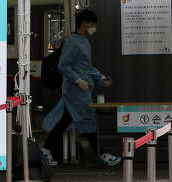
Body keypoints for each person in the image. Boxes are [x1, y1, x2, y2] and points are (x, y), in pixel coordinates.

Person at [41, 10, 121, 167]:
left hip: (80, 90)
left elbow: (86, 66)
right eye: (93, 24)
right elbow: (63, 65)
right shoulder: (73, 41)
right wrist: (77, 80)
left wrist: (100, 78)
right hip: (75, 91)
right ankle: (102, 154)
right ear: (85, 23)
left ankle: (45, 151)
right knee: (87, 121)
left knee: (66, 122)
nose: (94, 28)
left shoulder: (84, 41)